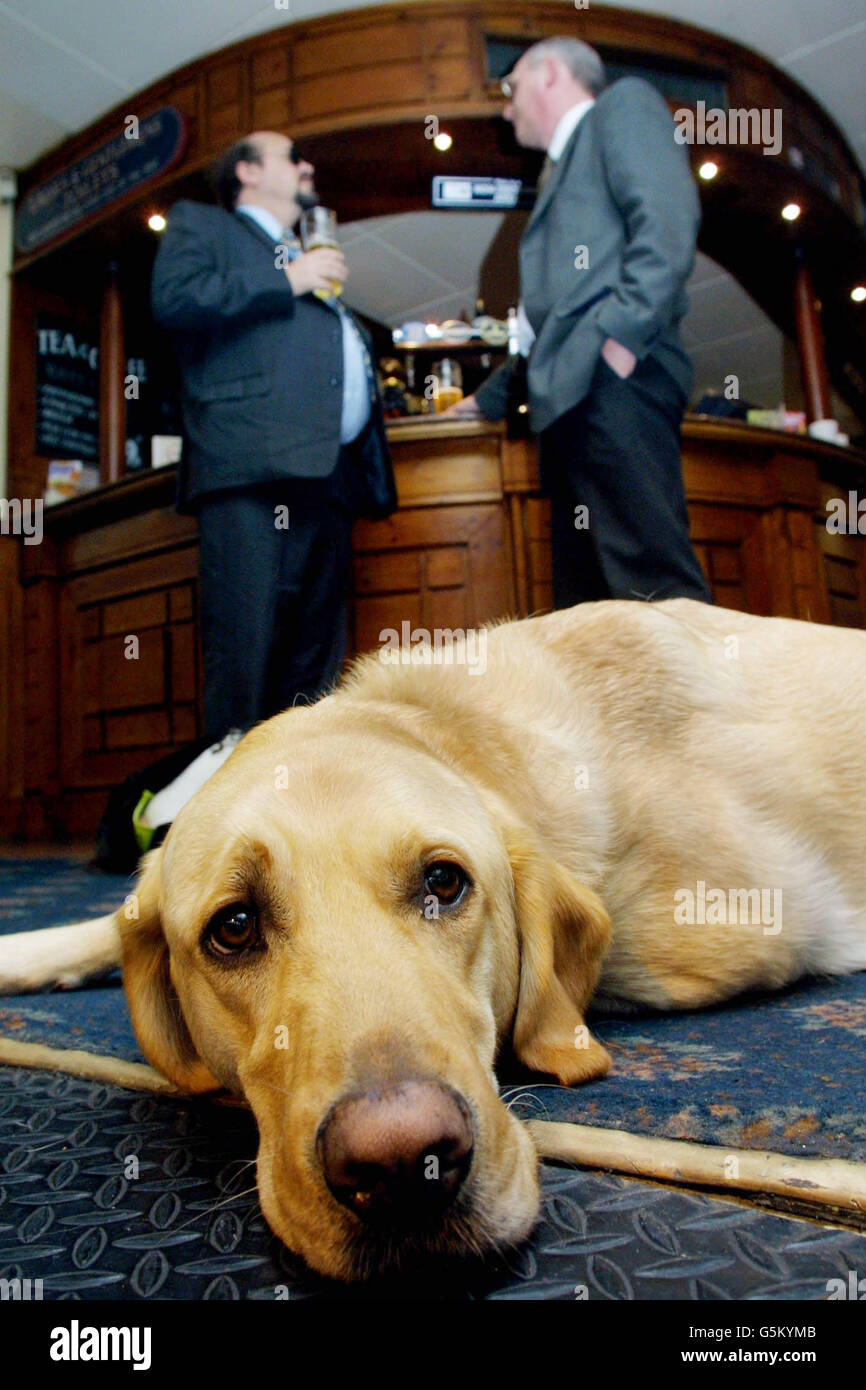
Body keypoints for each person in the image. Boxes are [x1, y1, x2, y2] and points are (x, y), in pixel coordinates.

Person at [151, 131, 396, 741]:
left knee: (316, 667)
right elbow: (176, 300)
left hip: (328, 478)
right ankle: (228, 824)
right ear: (250, 172)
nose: (307, 165)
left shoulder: (303, 249)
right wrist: (291, 279)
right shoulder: (205, 227)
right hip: (250, 469)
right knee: (245, 653)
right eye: (292, 157)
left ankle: (305, 815)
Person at [452, 38, 711, 606]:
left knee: (654, 589)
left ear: (549, 73)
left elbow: (667, 225)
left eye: (510, 87)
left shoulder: (621, 107)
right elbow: (555, 320)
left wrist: (618, 343)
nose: (505, 106)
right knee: (594, 606)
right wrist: (491, 399)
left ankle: (695, 701)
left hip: (614, 386)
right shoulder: (558, 170)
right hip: (573, 402)